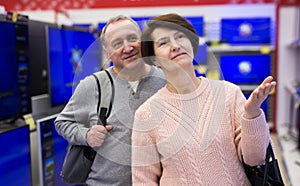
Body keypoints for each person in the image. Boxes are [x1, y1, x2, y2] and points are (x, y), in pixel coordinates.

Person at [131, 13, 276, 185]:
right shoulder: (146, 114)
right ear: (154, 59)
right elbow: (143, 181)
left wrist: (252, 114)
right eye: (163, 43)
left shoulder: (229, 93)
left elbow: (255, 159)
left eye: (180, 37)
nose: (175, 45)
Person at [55, 15, 165, 185]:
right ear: (107, 53)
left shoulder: (166, 80)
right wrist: (87, 135)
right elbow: (62, 122)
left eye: (132, 38)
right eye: (117, 43)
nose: (127, 48)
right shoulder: (93, 85)